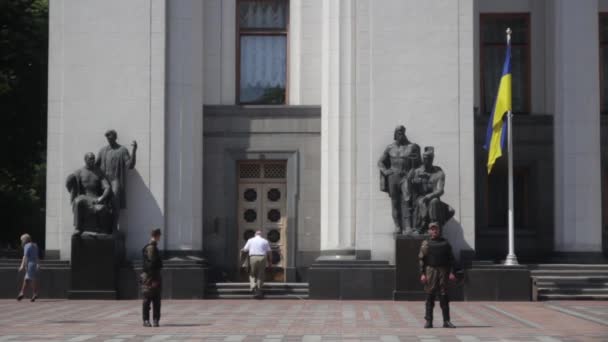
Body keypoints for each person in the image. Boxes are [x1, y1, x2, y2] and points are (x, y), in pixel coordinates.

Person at [377, 125, 421, 234]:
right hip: (393, 177)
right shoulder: (390, 147)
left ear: (404, 133)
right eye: (398, 132)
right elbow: (380, 162)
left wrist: (412, 172)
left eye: (402, 132)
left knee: (407, 201)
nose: (400, 134)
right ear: (395, 134)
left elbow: (419, 164)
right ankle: (397, 226)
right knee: (395, 202)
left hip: (405, 176)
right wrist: (386, 171)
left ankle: (408, 226)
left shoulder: (412, 147)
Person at [96, 129, 137, 231]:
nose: (108, 138)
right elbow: (95, 166)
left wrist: (134, 151)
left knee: (115, 201)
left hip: (115, 180)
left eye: (110, 136)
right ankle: (104, 226)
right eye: (107, 137)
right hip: (105, 180)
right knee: (103, 202)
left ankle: (114, 226)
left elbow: (130, 165)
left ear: (115, 137)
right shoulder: (102, 150)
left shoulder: (122, 150)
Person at [408, 146, 454, 234]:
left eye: (429, 159)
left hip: (432, 197)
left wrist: (429, 196)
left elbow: (440, 190)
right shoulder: (417, 172)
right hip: (419, 198)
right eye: (425, 159)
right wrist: (413, 182)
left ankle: (434, 228)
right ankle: (421, 226)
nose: (426, 161)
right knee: (422, 201)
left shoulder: (439, 173)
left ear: (432, 159)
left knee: (434, 201)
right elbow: (410, 188)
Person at [419, 222, 456, 329]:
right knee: (430, 296)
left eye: (436, 229)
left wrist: (452, 272)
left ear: (439, 230)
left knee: (444, 296)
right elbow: (421, 259)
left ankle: (446, 321)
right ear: (429, 231)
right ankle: (429, 321)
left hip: (443, 271)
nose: (434, 231)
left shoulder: (445, 243)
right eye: (432, 229)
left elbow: (451, 259)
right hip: (430, 271)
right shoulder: (426, 243)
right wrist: (422, 274)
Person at [66, 152, 113, 234]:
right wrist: (70, 180)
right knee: (78, 201)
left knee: (102, 209)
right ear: (85, 160)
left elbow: (107, 187)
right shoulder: (79, 172)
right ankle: (78, 227)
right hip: (84, 197)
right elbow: (69, 183)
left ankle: (101, 229)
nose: (93, 160)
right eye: (90, 158)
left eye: (93, 158)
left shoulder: (98, 172)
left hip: (95, 198)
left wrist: (101, 198)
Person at [141, 228, 163, 327]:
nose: (160, 238)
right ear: (157, 235)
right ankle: (147, 320)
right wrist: (153, 279)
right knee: (148, 299)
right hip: (150, 278)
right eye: (159, 236)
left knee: (155, 300)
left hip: (153, 276)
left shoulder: (153, 247)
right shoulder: (151, 247)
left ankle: (154, 320)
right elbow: (151, 264)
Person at [242, 230, 272, 298]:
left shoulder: (250, 240)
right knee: (261, 274)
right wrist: (270, 261)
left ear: (255, 234)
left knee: (252, 273)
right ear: (261, 235)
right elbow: (269, 251)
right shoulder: (265, 241)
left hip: (253, 257)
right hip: (262, 257)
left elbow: (245, 249)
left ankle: (253, 286)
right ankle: (258, 289)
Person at [17, 234, 39, 302]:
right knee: (26, 279)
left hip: (29, 264)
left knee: (31, 279)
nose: (21, 241)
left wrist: (23, 266)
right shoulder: (35, 245)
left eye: (22, 240)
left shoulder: (27, 246)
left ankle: (35, 293)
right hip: (34, 264)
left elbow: (25, 256)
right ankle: (22, 293)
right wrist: (38, 264)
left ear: (25, 240)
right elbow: (36, 256)